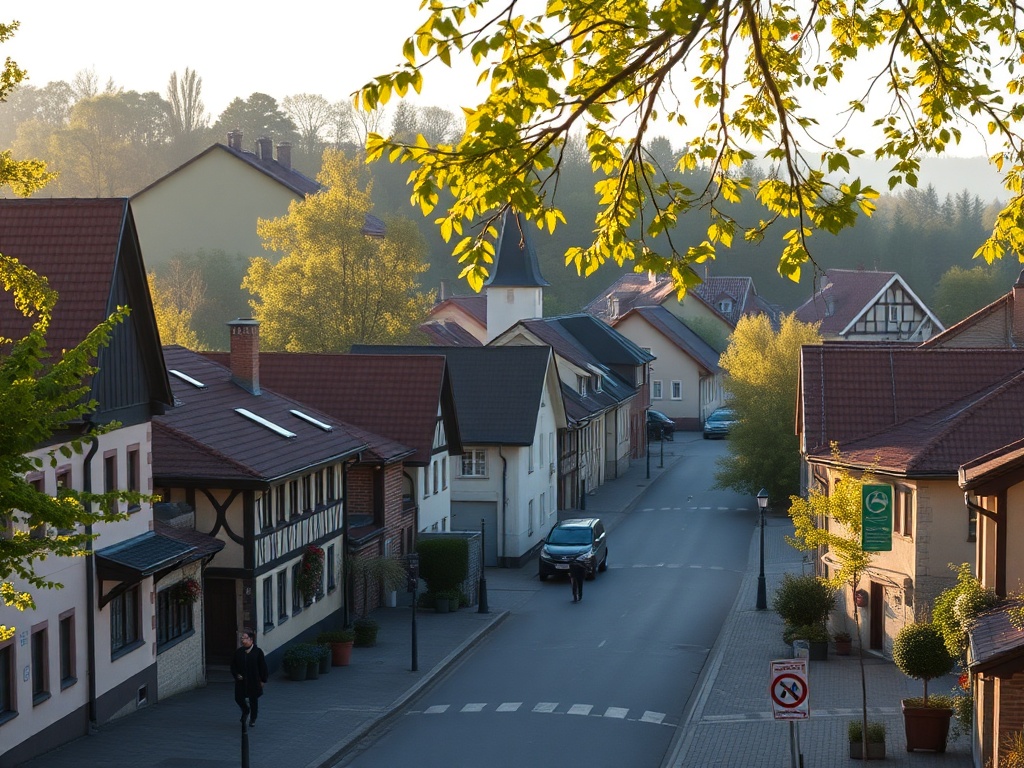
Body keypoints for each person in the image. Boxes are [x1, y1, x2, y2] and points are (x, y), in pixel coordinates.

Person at [231, 628, 268, 727]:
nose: (242, 640)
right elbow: (233, 666)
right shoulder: (239, 652)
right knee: (238, 698)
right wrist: (236, 674)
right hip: (241, 681)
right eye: (242, 638)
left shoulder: (257, 652)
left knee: (253, 700)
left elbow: (262, 666)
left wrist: (263, 680)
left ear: (251, 640)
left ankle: (253, 718)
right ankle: (246, 710)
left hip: (253, 680)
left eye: (244, 638)